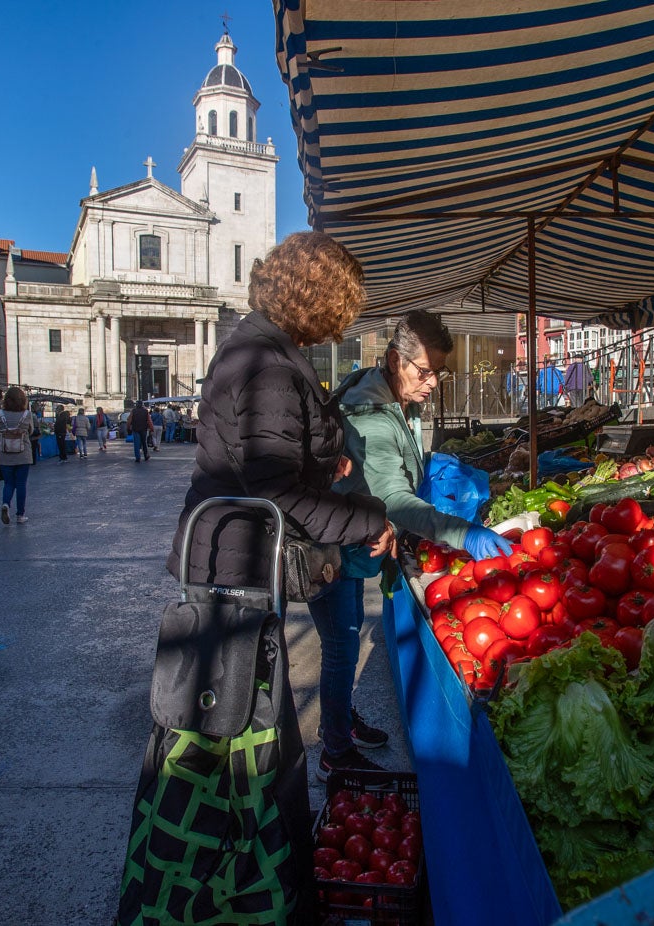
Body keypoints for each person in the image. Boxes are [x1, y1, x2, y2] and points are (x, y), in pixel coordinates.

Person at [119, 231, 392, 926]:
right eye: (344, 303)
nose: (346, 318)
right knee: (226, 735)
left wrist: (320, 468)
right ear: (321, 296)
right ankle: (221, 894)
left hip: (231, 569)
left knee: (226, 737)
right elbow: (271, 492)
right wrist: (365, 517)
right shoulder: (266, 363)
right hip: (234, 574)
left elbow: (268, 468)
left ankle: (223, 885)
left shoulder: (263, 348)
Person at [314, 310, 514, 781]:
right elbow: (394, 498)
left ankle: (339, 719)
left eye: (438, 373)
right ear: (393, 360)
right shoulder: (371, 415)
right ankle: (334, 752)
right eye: (423, 371)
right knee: (342, 646)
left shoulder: (389, 392)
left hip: (352, 539)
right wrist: (463, 534)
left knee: (345, 635)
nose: (431, 383)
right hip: (335, 546)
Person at [0, 386, 35, 524]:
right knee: (21, 484)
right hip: (23, 454)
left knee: (9, 483)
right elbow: (31, 431)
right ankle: (20, 515)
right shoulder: (27, 414)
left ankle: (6, 504)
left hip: (5, 454)